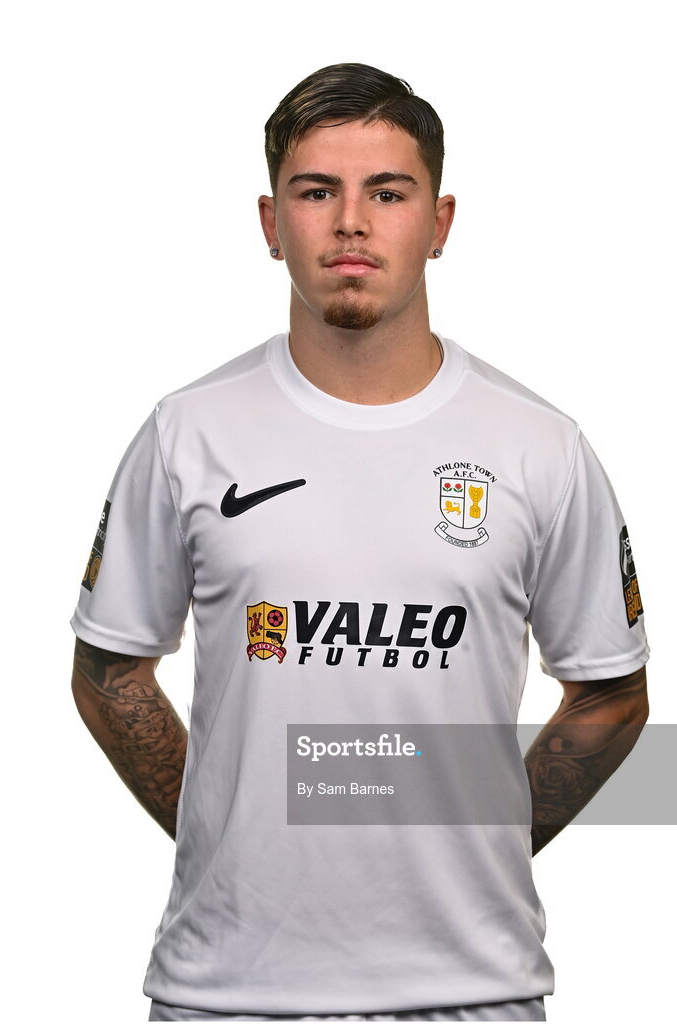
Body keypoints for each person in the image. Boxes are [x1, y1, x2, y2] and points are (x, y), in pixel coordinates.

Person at [69, 62, 650, 1023]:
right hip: (226, 994)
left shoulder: (539, 445)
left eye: (387, 192)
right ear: (270, 223)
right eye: (315, 191)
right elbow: (107, 672)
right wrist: (229, 831)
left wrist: (485, 833)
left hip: (474, 991)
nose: (350, 222)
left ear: (439, 221)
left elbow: (611, 690)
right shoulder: (188, 431)